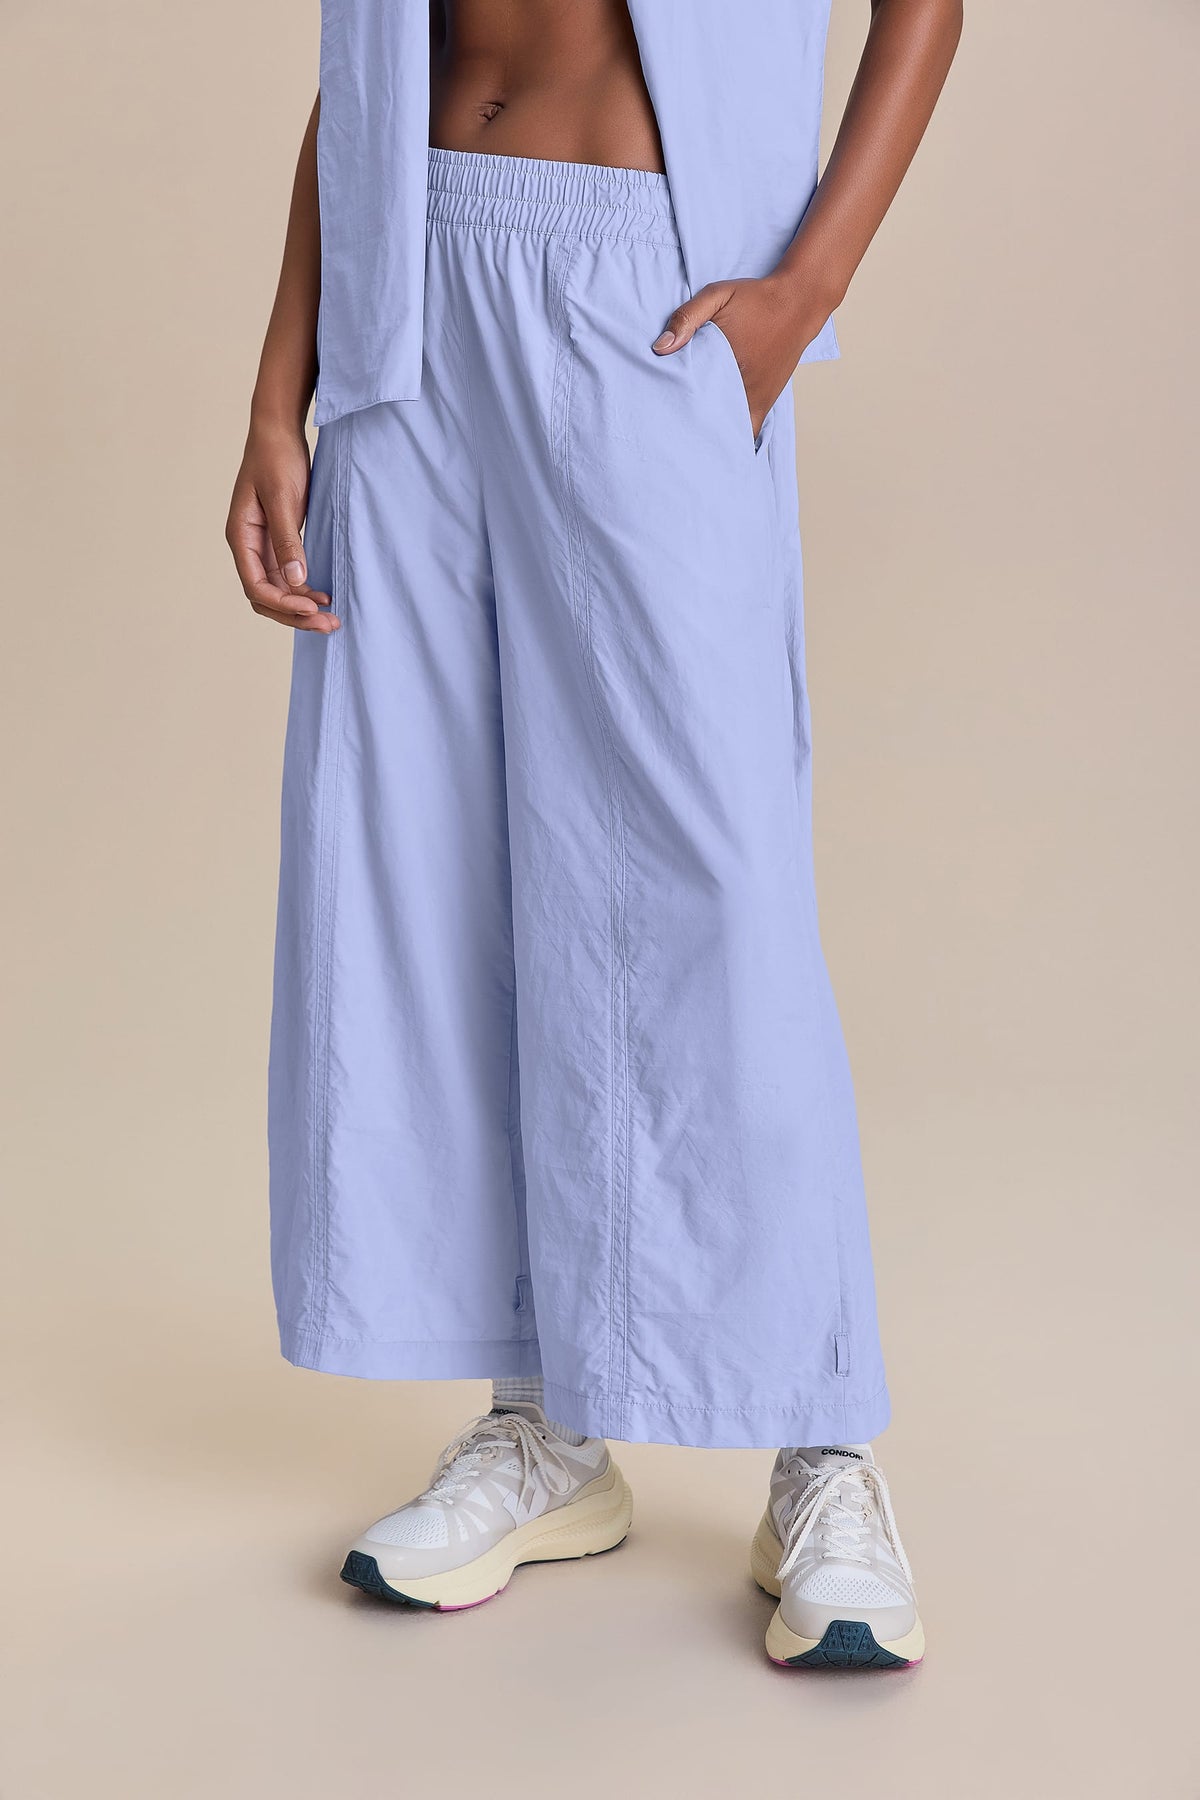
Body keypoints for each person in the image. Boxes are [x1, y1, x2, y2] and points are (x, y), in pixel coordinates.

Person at [227, 0, 962, 1670]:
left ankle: (822, 1442)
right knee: (437, 864)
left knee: (716, 879)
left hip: (641, 271)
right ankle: (543, 1415)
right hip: (409, 282)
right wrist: (283, 387)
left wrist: (810, 285)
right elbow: (363, 67)